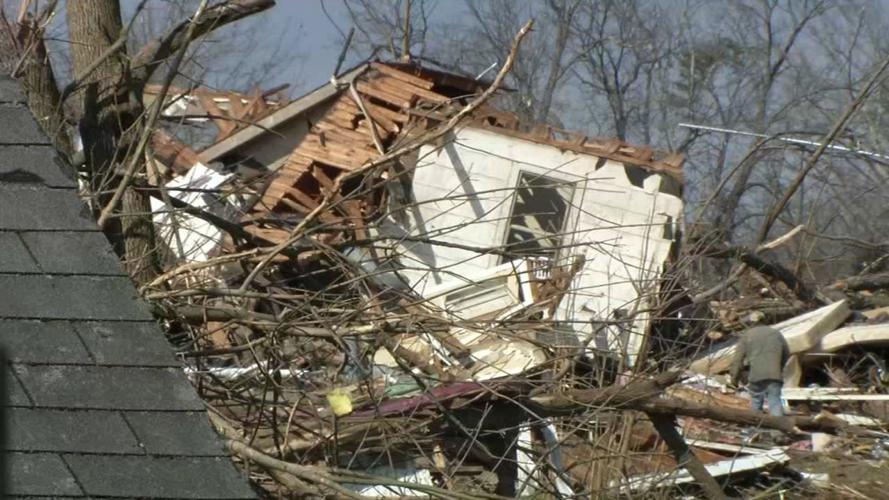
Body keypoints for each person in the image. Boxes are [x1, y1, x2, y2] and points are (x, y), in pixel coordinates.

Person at [729, 311, 789, 416]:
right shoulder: (776, 333)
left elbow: (737, 360)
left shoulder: (747, 336)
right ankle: (779, 429)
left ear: (751, 322)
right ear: (764, 320)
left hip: (756, 375)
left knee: (756, 401)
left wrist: (734, 379)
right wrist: (779, 368)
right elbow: (786, 353)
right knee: (775, 402)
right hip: (774, 375)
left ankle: (756, 428)